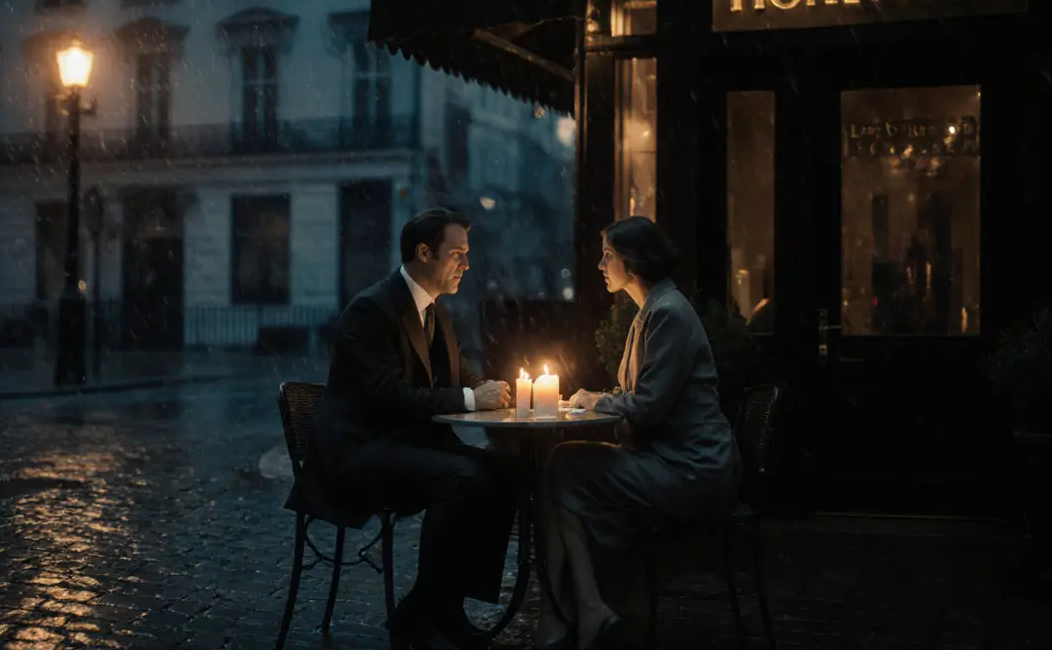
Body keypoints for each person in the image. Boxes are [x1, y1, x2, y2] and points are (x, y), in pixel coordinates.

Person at [310, 208, 515, 650]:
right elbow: (387, 396)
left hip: (404, 443)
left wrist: (490, 389)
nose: (466, 264)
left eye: (466, 254)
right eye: (457, 254)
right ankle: (424, 617)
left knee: (504, 470)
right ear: (424, 253)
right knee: (460, 478)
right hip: (358, 452)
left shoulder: (436, 313)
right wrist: (470, 399)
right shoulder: (371, 309)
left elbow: (457, 377)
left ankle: (441, 607)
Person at [534, 217, 743, 650]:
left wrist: (593, 401)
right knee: (560, 467)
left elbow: (647, 406)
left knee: (562, 467)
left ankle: (565, 614)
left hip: (691, 469)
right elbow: (640, 395)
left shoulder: (667, 314)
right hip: (670, 459)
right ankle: (579, 609)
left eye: (607, 255)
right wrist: (602, 398)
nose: (599, 264)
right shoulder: (650, 311)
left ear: (632, 263)